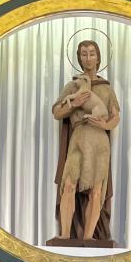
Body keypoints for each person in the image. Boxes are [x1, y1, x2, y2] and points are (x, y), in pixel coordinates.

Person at [51, 39, 121, 243]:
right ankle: (64, 234)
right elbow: (57, 111)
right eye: (84, 53)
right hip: (79, 138)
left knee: (97, 189)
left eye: (92, 53)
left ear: (98, 57)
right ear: (79, 58)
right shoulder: (72, 85)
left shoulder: (106, 89)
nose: (88, 57)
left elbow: (115, 116)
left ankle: (90, 237)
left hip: (99, 141)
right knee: (69, 184)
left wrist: (105, 126)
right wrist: (74, 103)